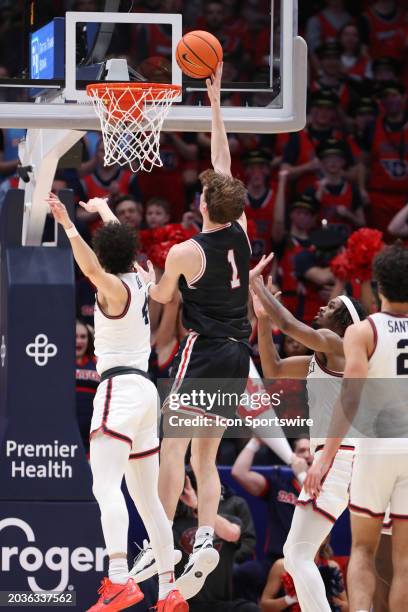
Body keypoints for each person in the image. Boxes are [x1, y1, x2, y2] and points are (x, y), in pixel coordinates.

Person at [131, 63, 271, 599]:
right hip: (238, 358)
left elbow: (165, 299)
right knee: (205, 459)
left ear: (203, 205)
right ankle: (206, 536)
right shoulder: (240, 231)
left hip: (205, 351)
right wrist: (215, 105)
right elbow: (223, 162)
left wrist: (149, 282)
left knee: (172, 453)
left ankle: (162, 541)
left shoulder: (187, 251)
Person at [47, 193, 187, 612]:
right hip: (145, 392)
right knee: (147, 502)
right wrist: (104, 209)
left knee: (105, 486)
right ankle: (168, 590)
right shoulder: (141, 280)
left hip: (119, 390)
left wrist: (68, 223)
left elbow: (90, 265)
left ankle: (121, 579)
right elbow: (119, 243)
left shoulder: (111, 287)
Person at [250, 274, 365, 612]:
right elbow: (273, 369)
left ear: (343, 322)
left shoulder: (335, 342)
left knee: (297, 554)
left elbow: (288, 323)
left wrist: (255, 283)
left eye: (330, 306)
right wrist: (262, 319)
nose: (321, 307)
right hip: (342, 459)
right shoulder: (323, 358)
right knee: (297, 554)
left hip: (336, 457)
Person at [305, 243, 408, 611]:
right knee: (404, 561)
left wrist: (324, 458)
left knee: (362, 549)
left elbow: (349, 399)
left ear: (377, 285)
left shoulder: (364, 331)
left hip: (377, 447)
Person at [231, 438, 312, 603]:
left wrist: (303, 474)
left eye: (311, 450)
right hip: (274, 560)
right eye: (301, 451)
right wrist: (256, 440)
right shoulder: (280, 485)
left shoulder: (326, 488)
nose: (306, 455)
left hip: (309, 560)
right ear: (292, 457)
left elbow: (319, 502)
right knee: (239, 574)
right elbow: (239, 472)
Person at [174, 470, 259, 612]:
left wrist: (198, 505)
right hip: (186, 605)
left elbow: (233, 534)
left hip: (221, 605)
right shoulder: (174, 525)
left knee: (250, 609)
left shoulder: (227, 521)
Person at [359, 81, 408, 233]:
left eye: (394, 95)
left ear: (403, 98)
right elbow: (363, 163)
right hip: (379, 197)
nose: (390, 100)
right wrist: (361, 189)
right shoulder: (372, 127)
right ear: (381, 102)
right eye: (386, 96)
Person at [260, 538, 349, 611]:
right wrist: (290, 599)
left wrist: (325, 598)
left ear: (326, 539)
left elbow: (347, 607)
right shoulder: (282, 566)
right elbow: (264, 606)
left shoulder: (331, 567)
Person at [75, 319, 99, 456]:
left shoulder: (98, 364)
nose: (79, 341)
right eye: (75, 336)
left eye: (83, 336)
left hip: (93, 435)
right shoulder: (59, 363)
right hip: (67, 435)